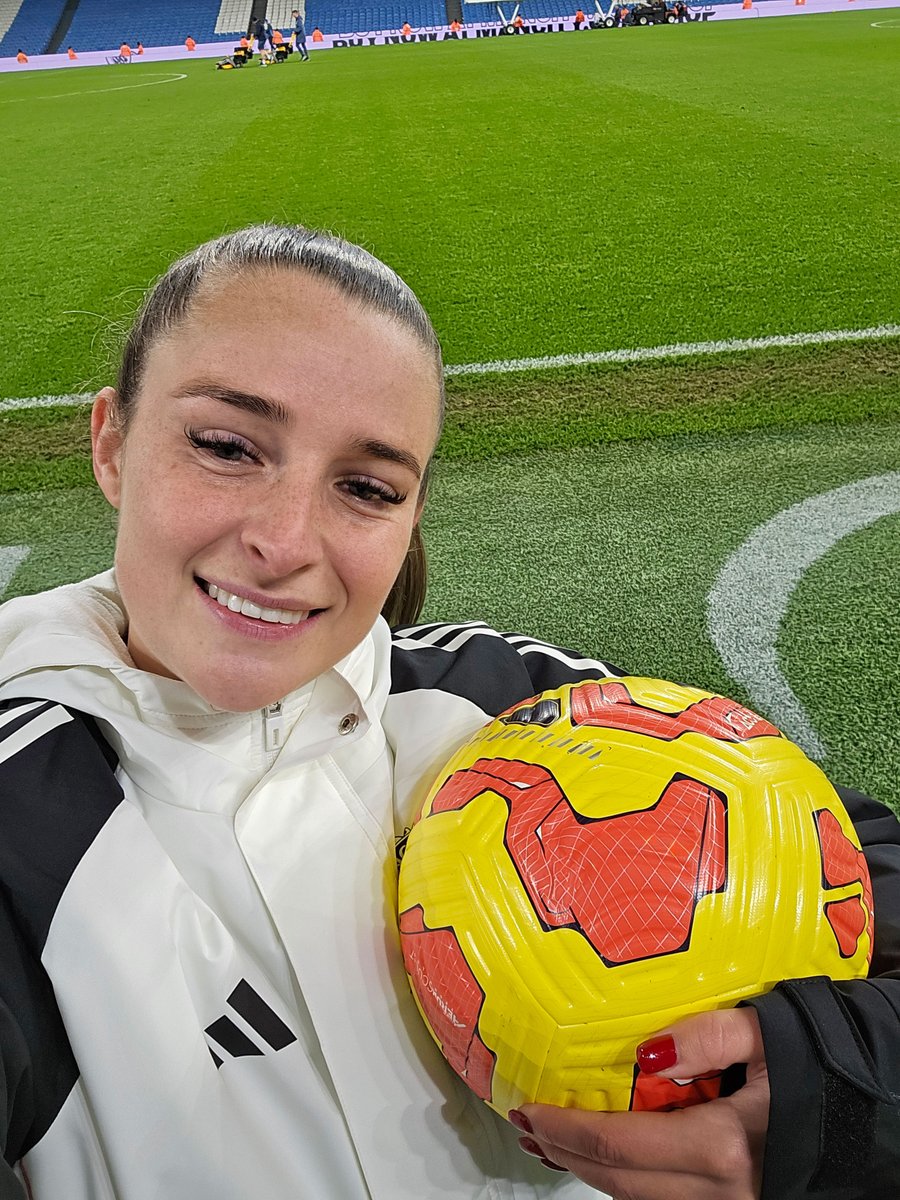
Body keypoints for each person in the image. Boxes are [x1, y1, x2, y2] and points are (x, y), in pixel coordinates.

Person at [0, 224, 897, 1200]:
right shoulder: (22, 816)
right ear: (113, 445)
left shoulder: (511, 702)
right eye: (225, 446)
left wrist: (834, 1091)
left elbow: (865, 864)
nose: (286, 539)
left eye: (365, 488)